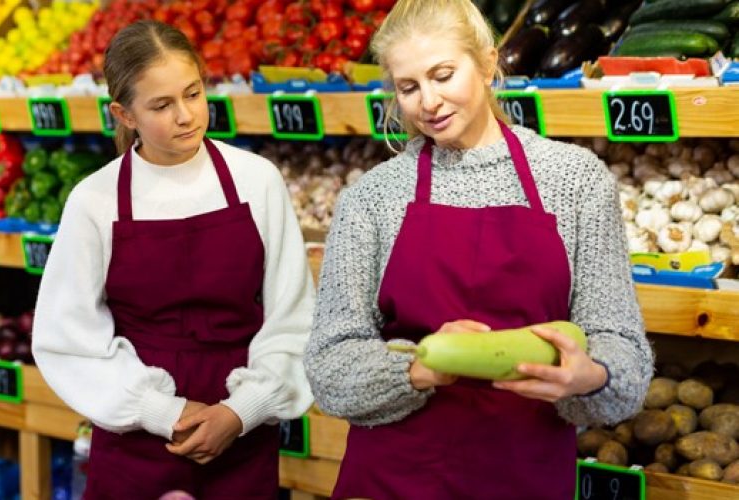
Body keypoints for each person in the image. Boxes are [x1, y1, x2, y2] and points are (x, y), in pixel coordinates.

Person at [304, 1, 653, 498]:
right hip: (396, 476)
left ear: (489, 64)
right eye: (409, 87)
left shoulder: (575, 181)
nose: (429, 101)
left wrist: (592, 376)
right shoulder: (371, 198)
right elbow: (329, 366)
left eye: (443, 75)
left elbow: (625, 352)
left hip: (524, 472)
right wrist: (420, 368)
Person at [32, 20, 314, 500]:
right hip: (137, 441)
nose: (185, 115)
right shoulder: (94, 200)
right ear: (124, 114)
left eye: (193, 93)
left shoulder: (256, 181)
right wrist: (164, 411)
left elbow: (295, 316)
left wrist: (242, 409)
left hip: (241, 434)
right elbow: (67, 339)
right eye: (161, 105)